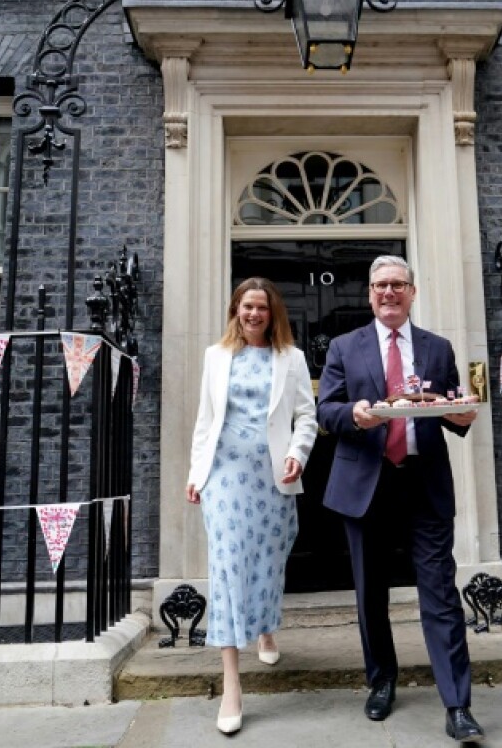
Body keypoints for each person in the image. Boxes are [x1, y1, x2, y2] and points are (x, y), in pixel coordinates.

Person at [316, 255, 485, 744]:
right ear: (369, 294)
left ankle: (457, 704)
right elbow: (326, 410)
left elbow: (454, 407)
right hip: (365, 484)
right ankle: (381, 680)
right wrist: (357, 414)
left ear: (412, 292)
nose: (388, 293)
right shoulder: (346, 347)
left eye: (398, 285)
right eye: (380, 286)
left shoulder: (438, 347)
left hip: (423, 482)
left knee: (440, 594)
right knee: (371, 593)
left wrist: (461, 416)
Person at [186, 277, 318, 736]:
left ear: (272, 312)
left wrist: (297, 455)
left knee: (267, 559)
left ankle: (265, 628)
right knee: (226, 566)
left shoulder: (292, 358)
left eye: (261, 307)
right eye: (246, 307)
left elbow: (307, 416)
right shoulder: (216, 356)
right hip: (224, 474)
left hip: (272, 477)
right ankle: (232, 684)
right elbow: (206, 418)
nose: (253, 314)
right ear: (235, 311)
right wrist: (195, 472)